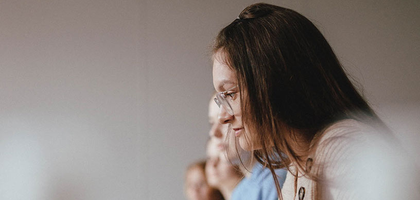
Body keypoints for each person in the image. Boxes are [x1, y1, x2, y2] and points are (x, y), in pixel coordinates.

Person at [210, 3, 420, 200]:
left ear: (274, 81)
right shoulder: (295, 170)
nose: (223, 116)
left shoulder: (342, 150)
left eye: (230, 93)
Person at [209, 92, 287, 200]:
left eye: (226, 121)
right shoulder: (240, 191)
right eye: (212, 123)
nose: (214, 133)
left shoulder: (277, 180)